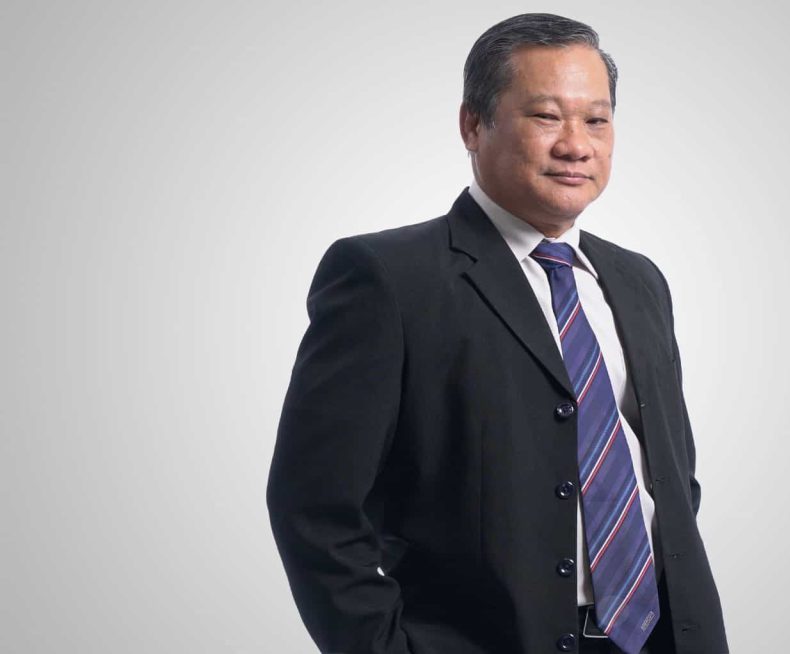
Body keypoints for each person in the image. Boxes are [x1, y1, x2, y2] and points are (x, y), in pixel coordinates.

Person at [267, 13, 728, 654]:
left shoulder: (637, 280)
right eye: (546, 117)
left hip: (664, 639)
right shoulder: (387, 280)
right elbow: (313, 509)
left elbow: (673, 478)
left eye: (596, 119)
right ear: (472, 125)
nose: (576, 144)